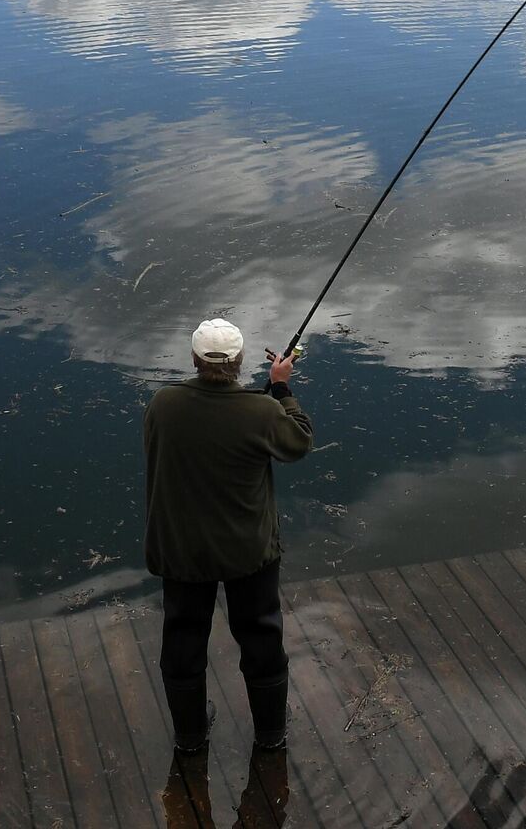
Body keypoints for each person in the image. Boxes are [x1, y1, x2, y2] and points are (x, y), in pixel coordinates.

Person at [145, 318, 314, 754]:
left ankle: (189, 737)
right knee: (260, 636)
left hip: (182, 550)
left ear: (195, 360)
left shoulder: (164, 404)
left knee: (182, 637)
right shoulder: (261, 412)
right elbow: (298, 442)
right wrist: (280, 389)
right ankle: (271, 734)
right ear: (239, 362)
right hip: (248, 551)